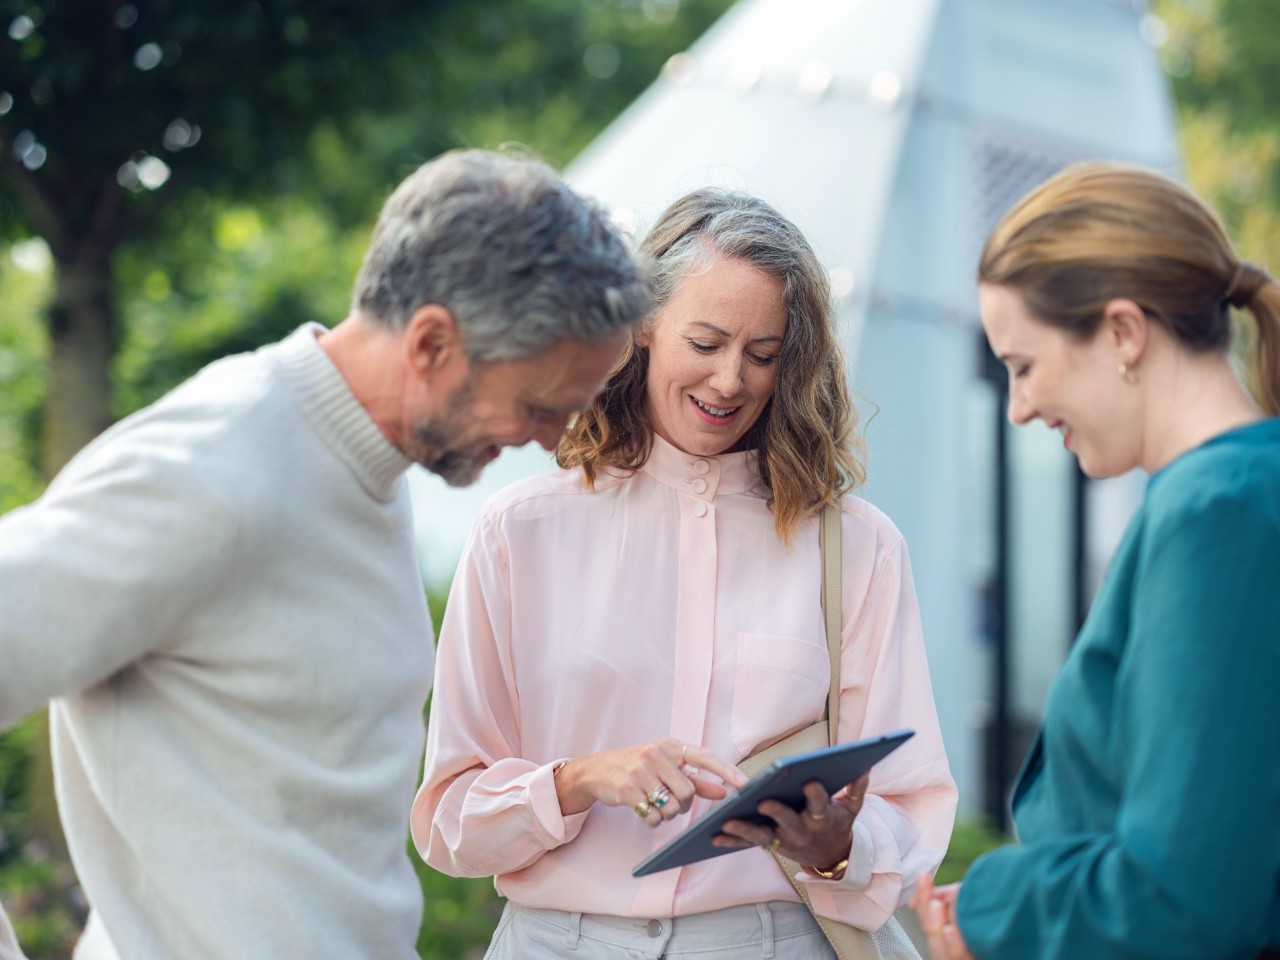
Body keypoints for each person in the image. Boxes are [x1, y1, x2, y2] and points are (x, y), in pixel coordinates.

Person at [0, 148, 651, 960]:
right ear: (431, 345)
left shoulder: (370, 462)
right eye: (539, 405)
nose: (556, 442)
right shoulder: (213, 472)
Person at [413, 188, 957, 959]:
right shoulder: (518, 533)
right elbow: (448, 819)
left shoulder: (859, 548)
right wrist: (578, 778)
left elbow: (911, 801)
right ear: (642, 326)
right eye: (705, 342)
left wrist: (838, 845)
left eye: (763, 354)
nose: (731, 380)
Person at [912, 162, 1280, 960]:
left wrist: (993, 907)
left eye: (1022, 366)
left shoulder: (1217, 512)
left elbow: (1185, 897)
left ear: (1122, 332)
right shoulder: (1233, 493)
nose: (1018, 408)